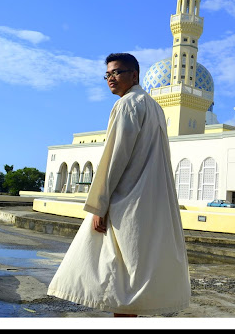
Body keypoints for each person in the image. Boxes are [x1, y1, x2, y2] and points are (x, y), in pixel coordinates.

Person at [47, 52, 191, 317]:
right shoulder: (155, 107)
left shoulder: (128, 104)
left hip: (127, 201)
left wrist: (99, 205)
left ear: (134, 75)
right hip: (150, 203)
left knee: (119, 278)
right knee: (133, 275)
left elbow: (114, 158)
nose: (111, 78)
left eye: (117, 72)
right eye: (108, 74)